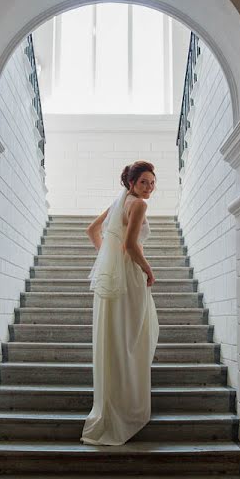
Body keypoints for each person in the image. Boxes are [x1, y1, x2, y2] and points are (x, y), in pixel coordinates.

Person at [80, 161, 160, 446]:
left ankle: (113, 405)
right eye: (143, 183)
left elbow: (92, 230)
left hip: (112, 276)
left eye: (152, 182)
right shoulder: (138, 205)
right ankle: (128, 408)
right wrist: (149, 270)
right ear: (131, 183)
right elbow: (130, 246)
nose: (148, 187)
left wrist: (108, 258)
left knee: (117, 338)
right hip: (128, 279)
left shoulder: (119, 202)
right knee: (131, 338)